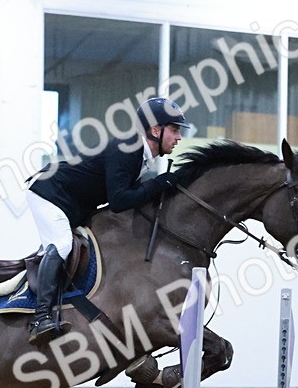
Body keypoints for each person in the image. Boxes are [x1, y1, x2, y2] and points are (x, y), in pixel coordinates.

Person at [24, 96, 193, 345]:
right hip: (48, 192)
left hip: (72, 202)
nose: (179, 137)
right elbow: (119, 201)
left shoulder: (140, 156)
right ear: (156, 130)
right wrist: (158, 184)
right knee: (61, 245)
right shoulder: (129, 148)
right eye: (175, 130)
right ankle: (40, 318)